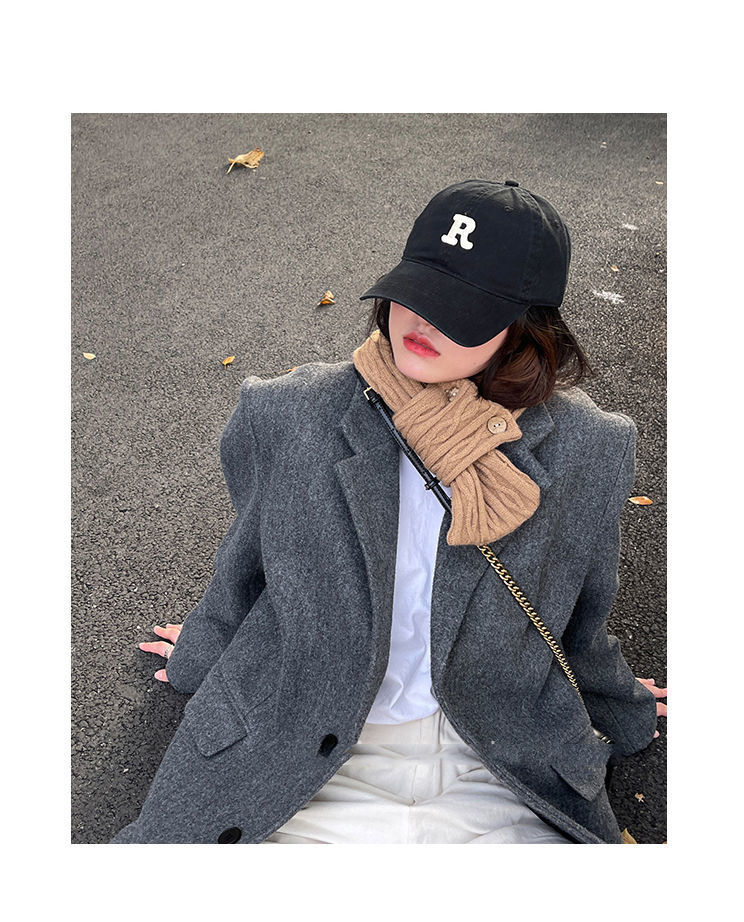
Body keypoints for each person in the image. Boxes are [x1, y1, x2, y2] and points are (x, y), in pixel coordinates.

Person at [110, 179, 667, 845]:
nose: (422, 322)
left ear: (527, 327)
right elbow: (245, 564)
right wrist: (211, 648)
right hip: (304, 755)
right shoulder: (287, 413)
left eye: (462, 309)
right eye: (419, 292)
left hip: (498, 766)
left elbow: (581, 611)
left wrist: (616, 699)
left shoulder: (590, 448)